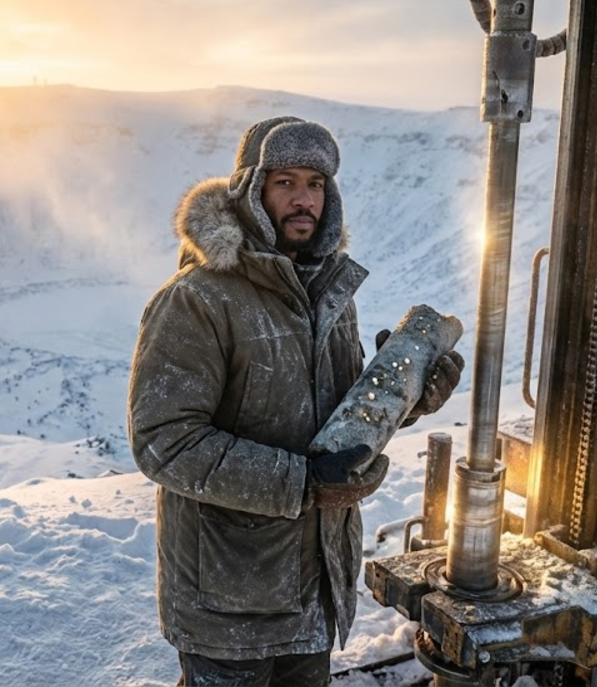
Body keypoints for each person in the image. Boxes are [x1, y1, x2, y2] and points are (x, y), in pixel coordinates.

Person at [127, 116, 462, 686]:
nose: (303, 199)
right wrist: (303, 484)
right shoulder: (199, 299)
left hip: (313, 588)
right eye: (285, 182)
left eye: (316, 183)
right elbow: (164, 441)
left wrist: (408, 398)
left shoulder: (329, 293)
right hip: (229, 605)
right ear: (250, 192)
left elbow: (335, 426)